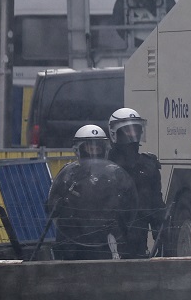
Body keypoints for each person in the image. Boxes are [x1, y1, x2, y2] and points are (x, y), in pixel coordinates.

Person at [46, 125, 138, 260]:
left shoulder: (113, 176)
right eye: (90, 148)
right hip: (73, 240)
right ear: (79, 150)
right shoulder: (68, 175)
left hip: (102, 241)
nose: (94, 153)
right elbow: (52, 206)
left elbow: (125, 205)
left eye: (98, 148)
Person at [107, 107, 166, 257]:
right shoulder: (106, 165)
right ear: (115, 134)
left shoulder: (148, 165)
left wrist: (163, 239)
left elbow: (156, 204)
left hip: (139, 237)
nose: (133, 136)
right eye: (128, 131)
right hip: (109, 237)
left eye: (136, 130)